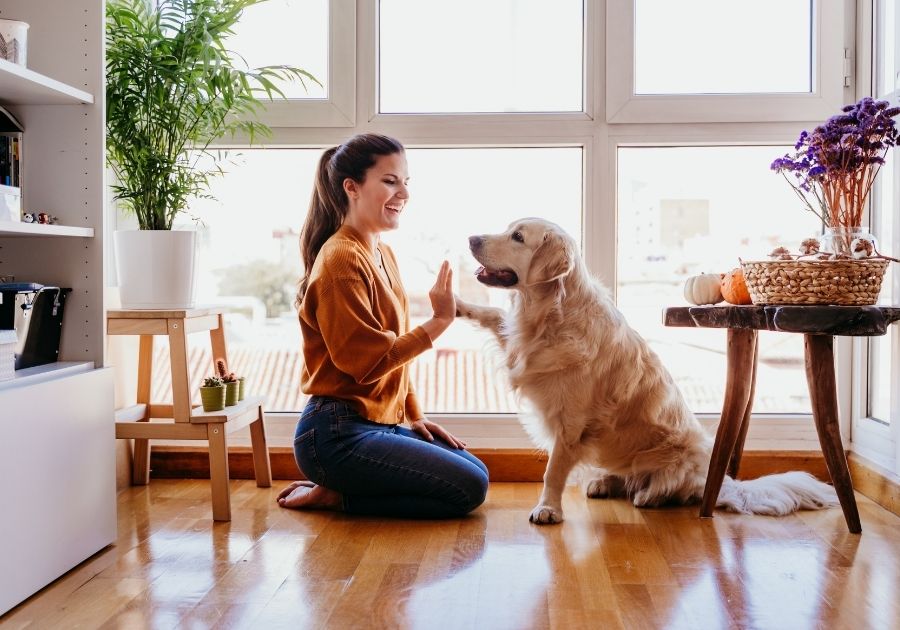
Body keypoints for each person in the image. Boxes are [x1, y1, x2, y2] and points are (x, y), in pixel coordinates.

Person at [277, 133, 489, 518]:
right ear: (352, 188)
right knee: (468, 489)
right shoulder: (340, 260)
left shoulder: (381, 252)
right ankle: (336, 495)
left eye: (406, 182)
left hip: (377, 423)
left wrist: (414, 414)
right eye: (390, 181)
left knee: (477, 471)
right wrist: (440, 321)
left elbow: (394, 359)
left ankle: (341, 489)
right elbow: (368, 363)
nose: (403, 193)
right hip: (334, 434)